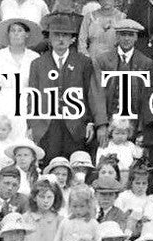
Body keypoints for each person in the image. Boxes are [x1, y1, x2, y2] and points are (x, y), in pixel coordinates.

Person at [26, 12, 107, 158]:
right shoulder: (38, 64)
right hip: (47, 125)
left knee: (76, 163)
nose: (61, 39)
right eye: (56, 35)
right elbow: (33, 96)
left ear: (72, 39)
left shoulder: (84, 62)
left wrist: (91, 123)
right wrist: (32, 124)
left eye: (65, 35)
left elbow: (92, 94)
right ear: (49, 38)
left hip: (76, 125)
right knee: (50, 163)